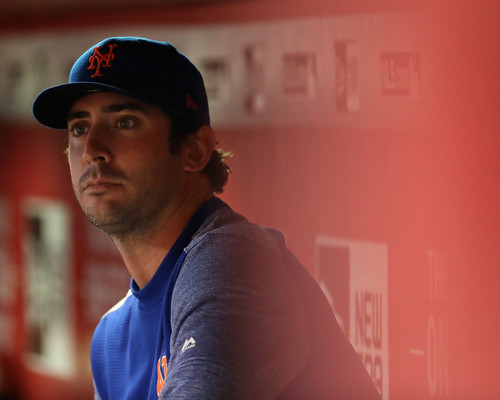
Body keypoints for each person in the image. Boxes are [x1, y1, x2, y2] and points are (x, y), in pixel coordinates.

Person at [32, 37, 381, 400]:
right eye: (79, 128)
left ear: (195, 150)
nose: (92, 150)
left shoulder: (235, 263)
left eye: (124, 122)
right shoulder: (111, 339)